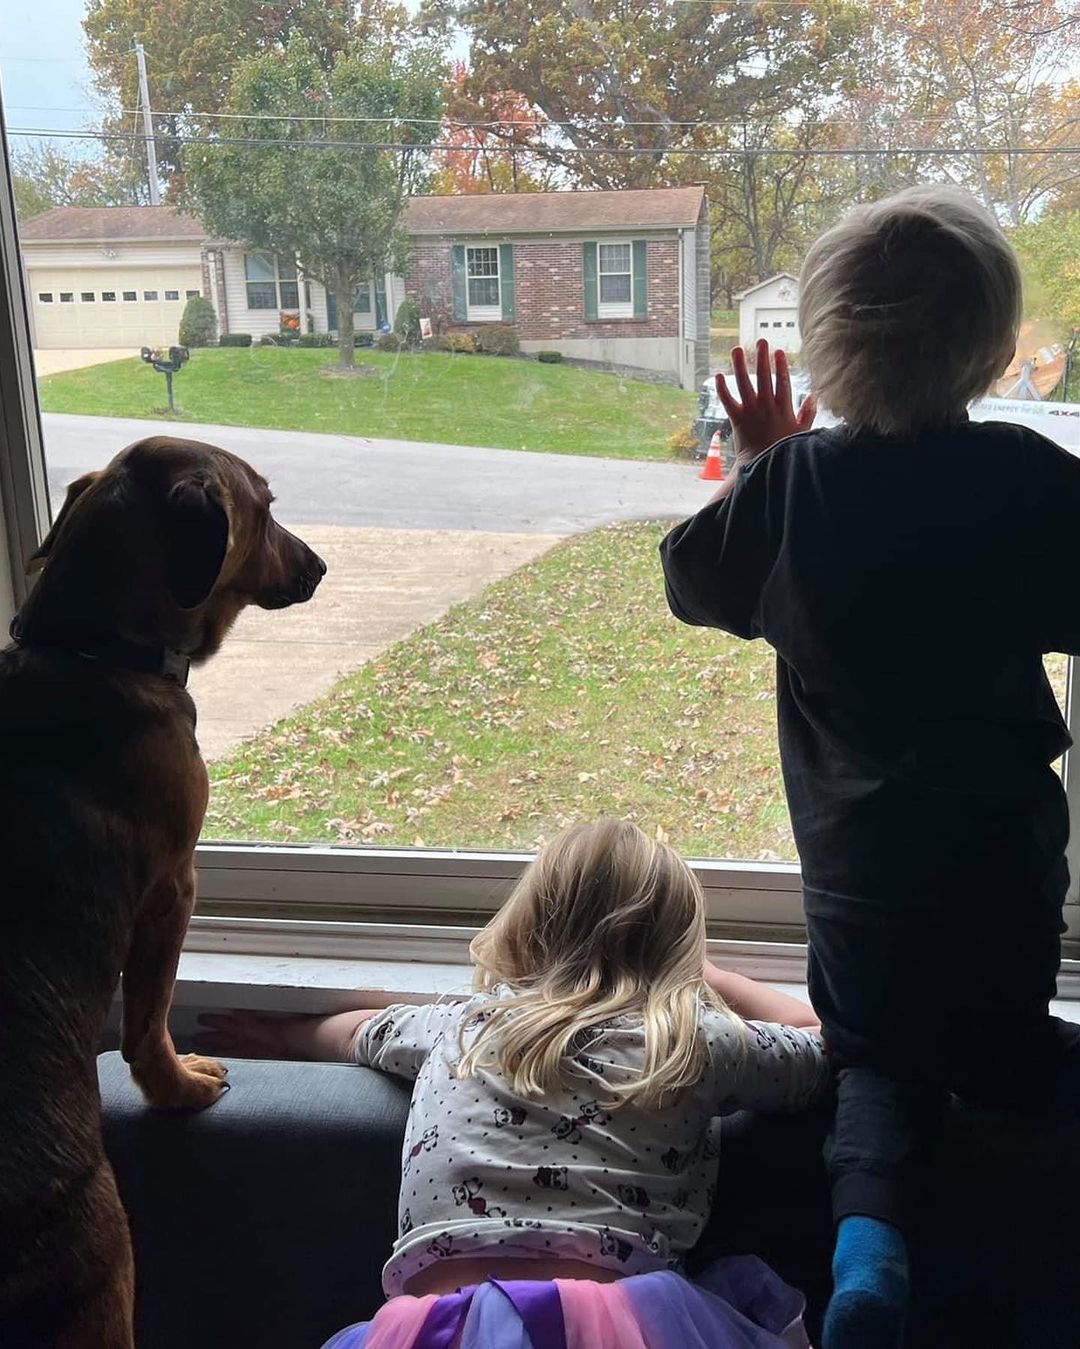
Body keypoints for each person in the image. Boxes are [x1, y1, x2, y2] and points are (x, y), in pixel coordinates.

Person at [659, 184, 1080, 1349]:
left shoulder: (798, 486)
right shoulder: (1026, 479)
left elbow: (692, 583)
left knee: (875, 1066)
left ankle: (866, 1263)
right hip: (1005, 842)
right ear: (995, 352)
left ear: (825, 354)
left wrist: (760, 461)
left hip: (861, 868)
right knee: (1005, 1034)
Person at [199, 819, 829, 1348]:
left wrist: (280, 1038)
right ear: (678, 952)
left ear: (527, 923)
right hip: (622, 1320)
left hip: (432, 1326)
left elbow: (359, 1031)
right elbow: (822, 1040)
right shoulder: (689, 1041)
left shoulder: (461, 1026)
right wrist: (712, 979)